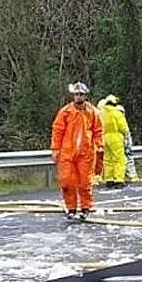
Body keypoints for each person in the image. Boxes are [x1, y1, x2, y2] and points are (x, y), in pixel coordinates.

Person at [50, 82, 104, 221]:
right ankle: (71, 208)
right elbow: (57, 131)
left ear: (85, 96)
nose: (78, 97)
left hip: (86, 153)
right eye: (76, 94)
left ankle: (86, 207)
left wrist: (99, 145)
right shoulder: (65, 112)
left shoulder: (93, 112)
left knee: (85, 182)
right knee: (67, 182)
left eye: (81, 94)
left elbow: (98, 130)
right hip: (67, 153)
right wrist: (55, 149)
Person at [97, 95, 131, 188]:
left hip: (105, 137)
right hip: (116, 136)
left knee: (108, 159)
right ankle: (119, 180)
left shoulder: (102, 113)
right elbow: (123, 127)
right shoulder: (116, 112)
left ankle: (109, 180)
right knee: (119, 159)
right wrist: (124, 135)